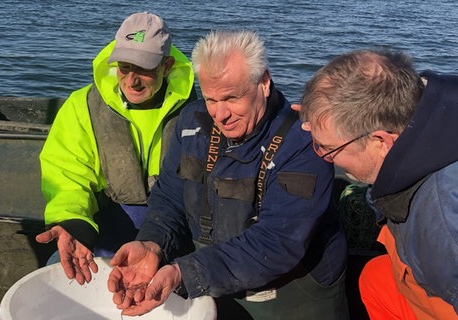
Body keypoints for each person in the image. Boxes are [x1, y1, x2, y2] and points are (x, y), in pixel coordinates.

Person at [107, 29, 349, 320]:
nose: (220, 115)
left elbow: (278, 242)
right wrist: (152, 242)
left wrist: (184, 272)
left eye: (232, 98)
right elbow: (170, 199)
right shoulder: (192, 123)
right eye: (211, 99)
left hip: (292, 294)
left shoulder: (305, 141)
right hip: (213, 280)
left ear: (264, 82)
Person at [295, 48, 458, 319]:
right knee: (375, 278)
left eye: (328, 148)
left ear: (381, 142)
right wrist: (324, 124)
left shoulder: (444, 226)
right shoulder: (435, 111)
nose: (324, 156)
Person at [35, 12, 196, 285]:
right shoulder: (81, 105)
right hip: (109, 226)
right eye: (124, 67)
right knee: (58, 270)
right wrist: (74, 222)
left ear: (167, 66)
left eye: (144, 69)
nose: (131, 80)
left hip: (175, 231)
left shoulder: (197, 112)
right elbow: (67, 173)